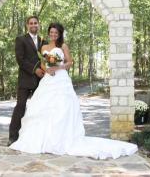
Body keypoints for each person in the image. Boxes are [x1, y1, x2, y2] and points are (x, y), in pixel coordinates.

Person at [10, 22, 138, 159]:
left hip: (60, 79)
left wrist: (57, 67)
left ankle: (60, 139)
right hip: (48, 79)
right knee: (41, 107)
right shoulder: (44, 46)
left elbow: (70, 62)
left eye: (56, 33)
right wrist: (46, 68)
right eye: (51, 32)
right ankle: (41, 139)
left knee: (62, 107)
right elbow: (42, 62)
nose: (53, 35)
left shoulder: (63, 46)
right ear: (48, 33)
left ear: (59, 34)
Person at [8, 16, 46, 146]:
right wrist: (35, 70)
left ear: (39, 25)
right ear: (27, 25)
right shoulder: (21, 39)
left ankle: (33, 137)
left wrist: (45, 70)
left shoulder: (43, 41)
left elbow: (45, 59)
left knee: (37, 109)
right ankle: (13, 137)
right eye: (31, 23)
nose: (33, 25)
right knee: (20, 106)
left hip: (40, 81)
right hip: (25, 79)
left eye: (35, 23)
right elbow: (20, 60)